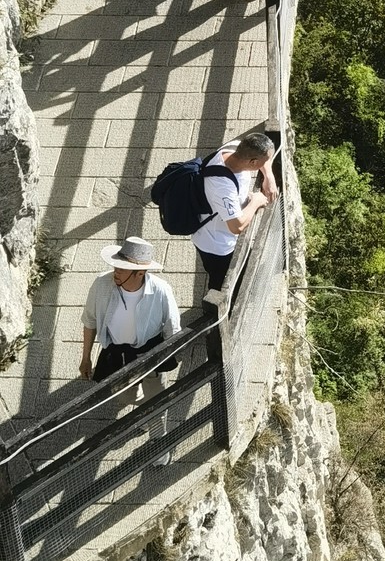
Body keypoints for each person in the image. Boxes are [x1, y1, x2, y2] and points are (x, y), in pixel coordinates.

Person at [80, 236, 181, 382]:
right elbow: (90, 321)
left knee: (156, 393)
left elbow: (172, 327)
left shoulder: (161, 290)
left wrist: (168, 356)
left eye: (123, 269)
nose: (116, 272)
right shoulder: (101, 284)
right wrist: (86, 358)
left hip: (150, 353)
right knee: (125, 395)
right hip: (115, 353)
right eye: (116, 266)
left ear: (140, 273)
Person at [192, 129, 278, 293]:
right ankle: (214, 312)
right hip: (216, 245)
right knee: (220, 283)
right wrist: (256, 202)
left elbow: (264, 157)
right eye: (261, 163)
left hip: (222, 235)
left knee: (242, 271)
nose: (266, 163)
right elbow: (236, 226)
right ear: (253, 163)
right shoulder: (222, 186)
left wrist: (269, 176)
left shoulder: (236, 147)